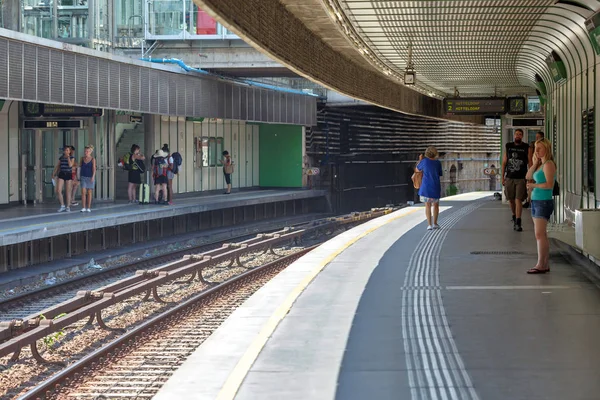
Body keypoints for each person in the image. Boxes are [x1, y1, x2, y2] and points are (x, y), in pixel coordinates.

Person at [525, 138, 556, 274]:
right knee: (541, 234)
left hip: (543, 201)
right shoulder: (541, 164)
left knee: (539, 234)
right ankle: (544, 263)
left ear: (546, 150)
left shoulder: (548, 164)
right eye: (536, 148)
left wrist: (533, 185)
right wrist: (535, 162)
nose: (536, 151)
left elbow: (549, 185)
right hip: (537, 201)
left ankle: (540, 264)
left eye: (539, 148)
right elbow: (528, 175)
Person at [501, 128, 530, 232]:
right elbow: (504, 162)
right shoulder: (508, 146)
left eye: (520, 134)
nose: (518, 135)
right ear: (514, 135)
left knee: (518, 199)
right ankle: (514, 215)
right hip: (509, 177)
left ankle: (518, 221)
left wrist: (529, 177)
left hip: (521, 178)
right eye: (516, 134)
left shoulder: (526, 147)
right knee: (511, 199)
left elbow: (529, 162)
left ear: (522, 136)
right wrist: (502, 177)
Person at [416, 146, 443, 230]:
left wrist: (420, 160)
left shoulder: (424, 161)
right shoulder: (438, 163)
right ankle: (435, 223)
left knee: (427, 206)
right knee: (436, 205)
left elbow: (417, 170)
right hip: (435, 186)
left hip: (425, 187)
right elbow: (440, 173)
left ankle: (429, 225)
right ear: (435, 153)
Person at [524, 131, 545, 208]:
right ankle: (529, 200)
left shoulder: (544, 146)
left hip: (541, 167)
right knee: (531, 183)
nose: (536, 138)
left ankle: (532, 200)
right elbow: (530, 158)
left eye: (538, 137)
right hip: (534, 166)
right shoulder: (533, 146)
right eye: (536, 137)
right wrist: (531, 168)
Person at [52, 146, 74, 212]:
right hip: (61, 174)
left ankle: (68, 206)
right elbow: (58, 166)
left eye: (68, 150)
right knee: (58, 190)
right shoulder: (61, 158)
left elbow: (70, 165)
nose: (66, 151)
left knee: (68, 191)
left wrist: (68, 158)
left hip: (68, 174)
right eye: (65, 150)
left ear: (69, 151)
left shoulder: (72, 158)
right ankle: (62, 205)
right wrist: (53, 173)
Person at [79, 145, 96, 212]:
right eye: (85, 151)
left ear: (90, 152)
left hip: (90, 177)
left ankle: (88, 207)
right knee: (83, 192)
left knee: (89, 192)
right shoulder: (82, 159)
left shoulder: (93, 159)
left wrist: (93, 177)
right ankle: (83, 207)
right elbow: (79, 167)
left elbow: (94, 169)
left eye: (87, 151)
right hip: (83, 176)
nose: (86, 152)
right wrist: (78, 177)